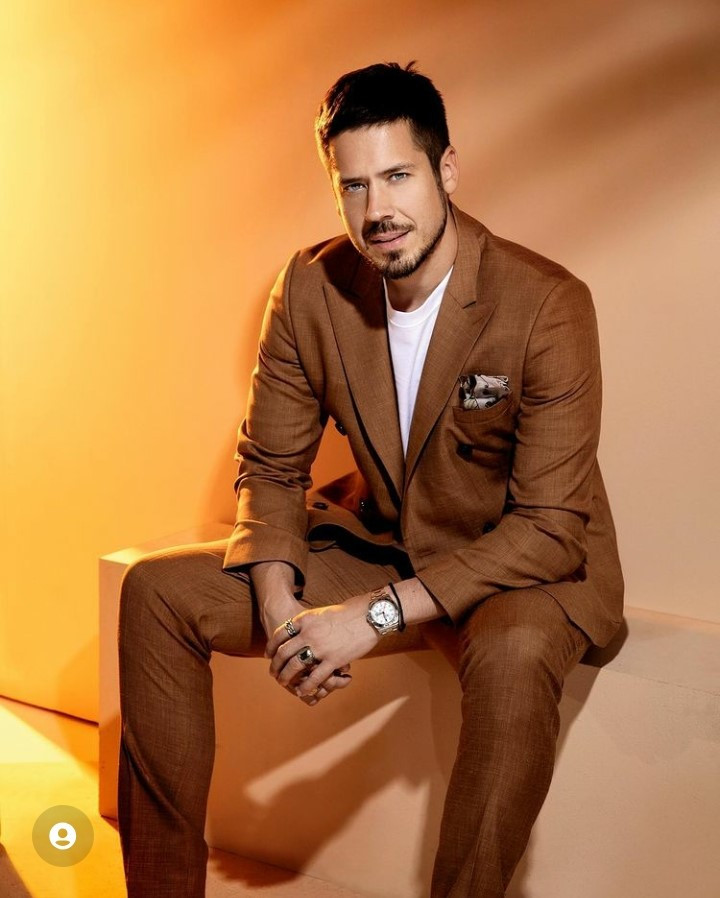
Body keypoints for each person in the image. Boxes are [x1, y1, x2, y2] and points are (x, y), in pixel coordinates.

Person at [117, 62, 624, 898]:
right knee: (154, 593)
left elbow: (549, 528)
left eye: (397, 177)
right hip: (389, 541)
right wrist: (281, 611)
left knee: (517, 653)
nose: (377, 209)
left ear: (446, 171)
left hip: (521, 568)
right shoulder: (311, 288)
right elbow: (272, 467)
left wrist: (372, 617)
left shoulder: (547, 304)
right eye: (353, 186)